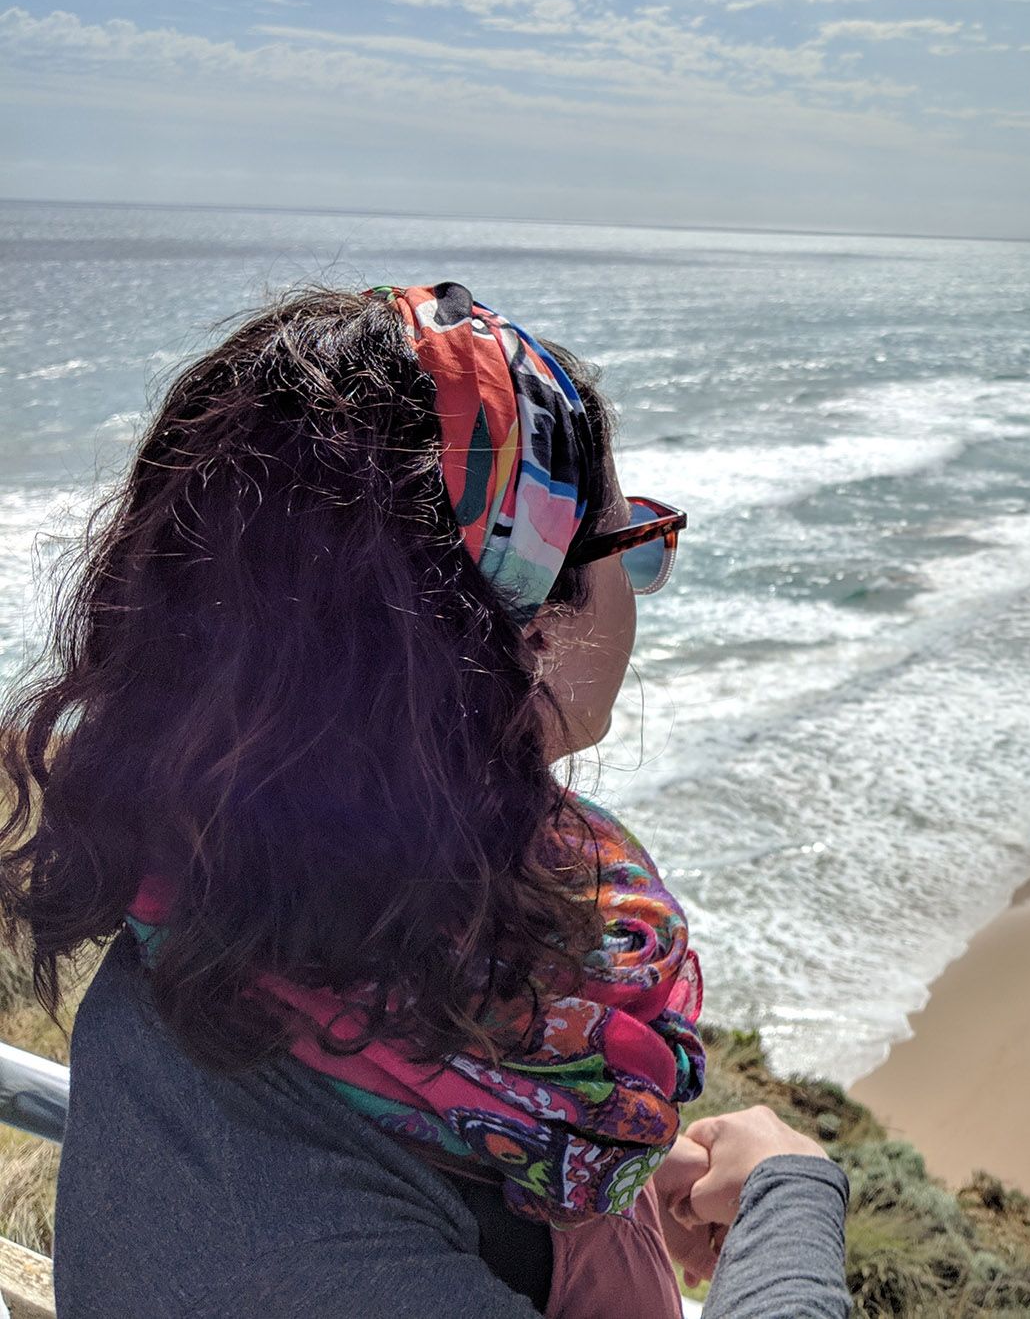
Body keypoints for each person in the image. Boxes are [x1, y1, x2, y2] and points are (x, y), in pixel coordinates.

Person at [0, 283, 852, 1317]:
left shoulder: (251, 911)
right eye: (638, 543)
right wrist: (786, 1197)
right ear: (530, 630)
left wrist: (583, 1212)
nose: (649, 577)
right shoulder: (272, 1241)